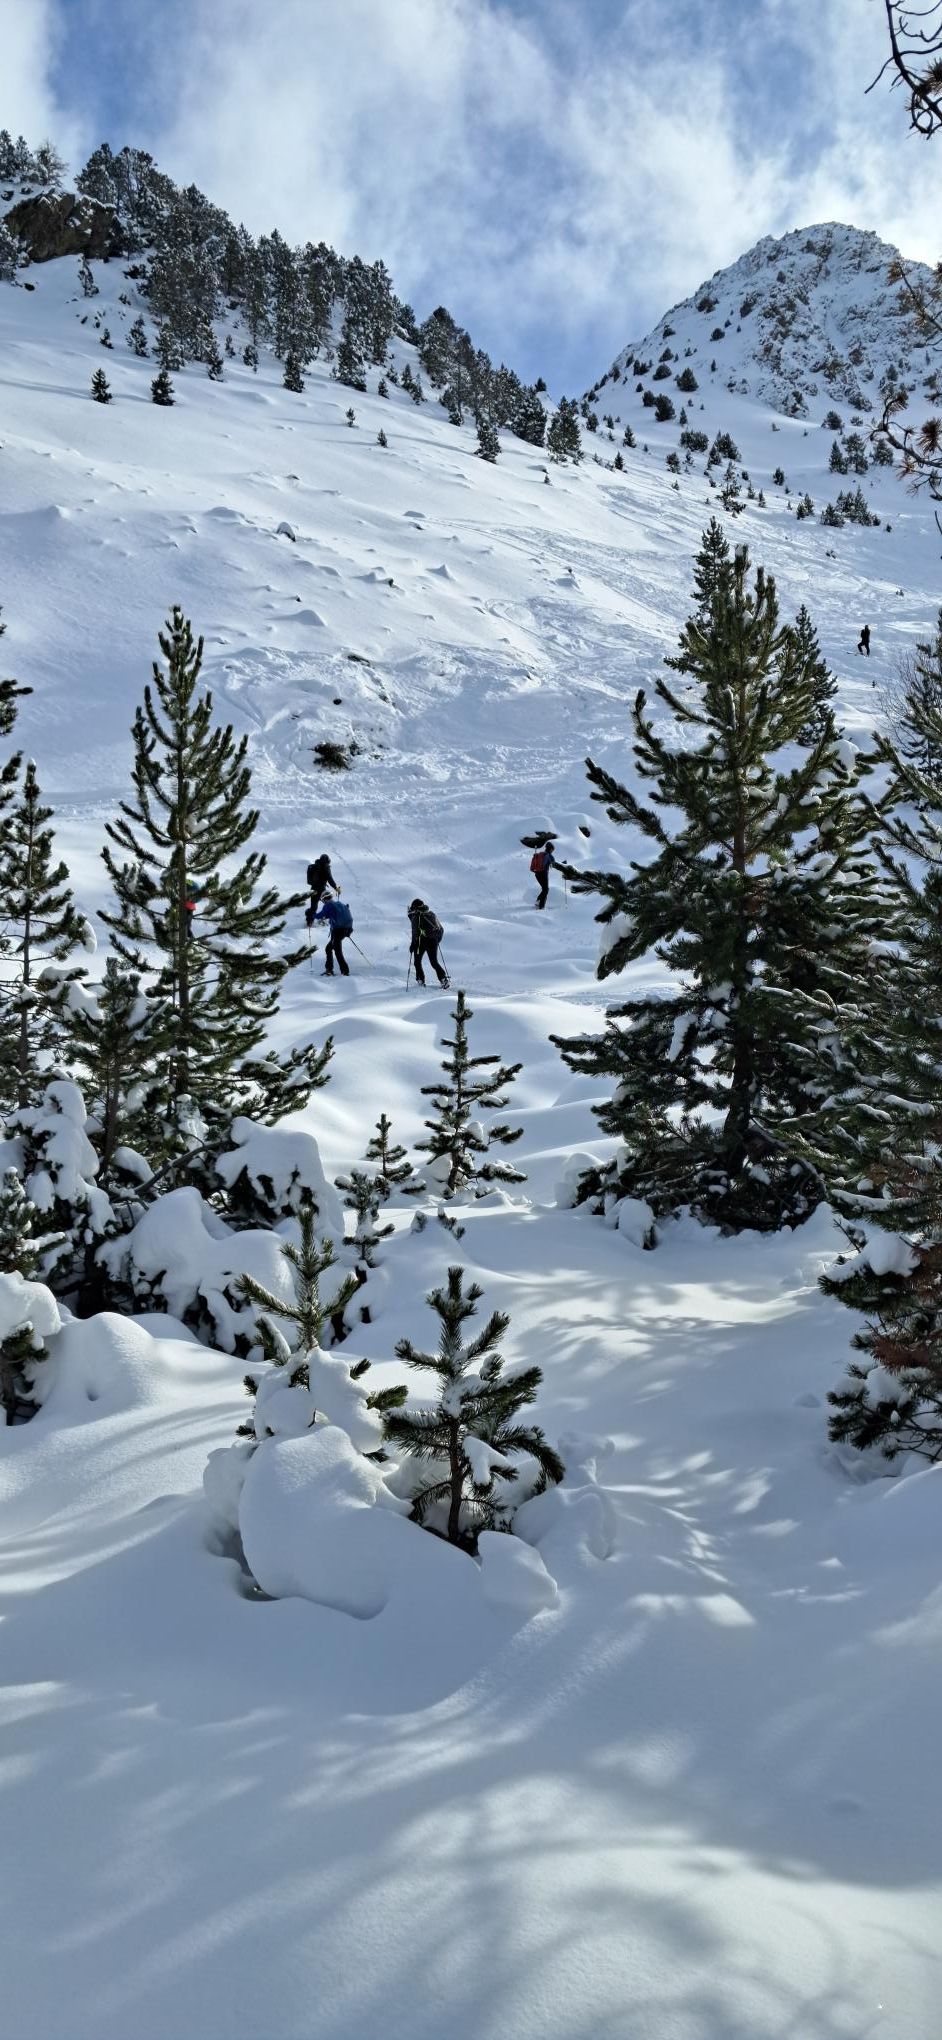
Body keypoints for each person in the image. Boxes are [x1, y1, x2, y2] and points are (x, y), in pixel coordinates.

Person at [408, 899, 448, 986]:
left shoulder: (416, 917)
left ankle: (420, 980)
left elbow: (415, 932)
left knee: (417, 962)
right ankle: (443, 979)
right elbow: (441, 929)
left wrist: (412, 945)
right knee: (434, 962)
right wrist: (436, 941)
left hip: (420, 942)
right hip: (433, 941)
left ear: (415, 907)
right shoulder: (431, 913)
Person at [313, 895, 353, 976]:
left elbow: (319, 915)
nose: (323, 902)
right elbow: (329, 915)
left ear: (325, 899)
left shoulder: (328, 905)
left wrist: (312, 914)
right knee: (329, 949)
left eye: (323, 900)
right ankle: (330, 969)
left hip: (337, 931)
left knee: (337, 951)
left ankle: (344, 971)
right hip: (346, 930)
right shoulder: (340, 904)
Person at [306, 853, 338, 924]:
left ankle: (309, 922)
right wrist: (336, 888)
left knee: (313, 907)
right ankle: (326, 920)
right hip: (322, 890)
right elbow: (330, 879)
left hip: (313, 889)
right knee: (329, 905)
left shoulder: (314, 867)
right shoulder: (326, 867)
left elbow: (309, 881)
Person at [530, 838, 558, 909]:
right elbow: (555, 865)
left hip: (537, 874)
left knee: (544, 889)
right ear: (550, 849)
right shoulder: (549, 856)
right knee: (546, 890)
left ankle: (538, 901)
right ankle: (541, 906)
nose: (552, 851)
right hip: (543, 874)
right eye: (552, 849)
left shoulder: (540, 854)